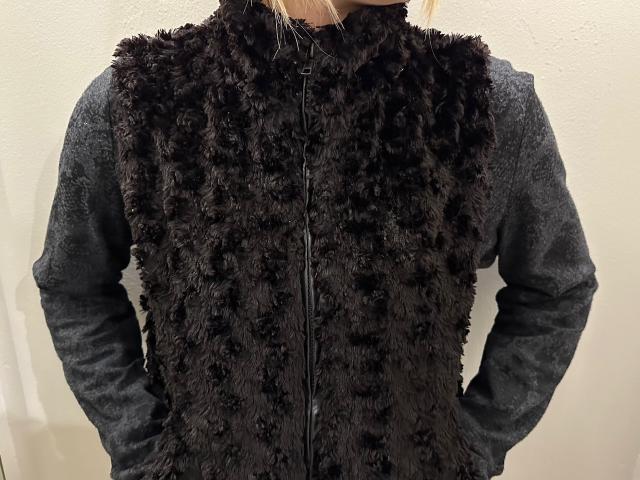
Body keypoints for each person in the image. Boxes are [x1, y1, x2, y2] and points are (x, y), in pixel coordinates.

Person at [31, 0, 599, 479]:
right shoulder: (141, 99)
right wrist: (145, 451)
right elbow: (74, 286)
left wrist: (469, 448)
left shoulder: (481, 103)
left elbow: (557, 287)